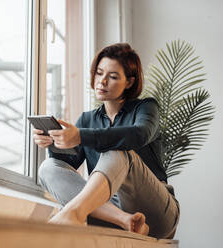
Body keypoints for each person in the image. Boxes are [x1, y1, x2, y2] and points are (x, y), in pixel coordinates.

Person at [32, 43, 180, 239]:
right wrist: (53, 141)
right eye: (99, 73)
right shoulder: (87, 119)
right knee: (48, 167)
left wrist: (80, 136)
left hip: (158, 212)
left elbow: (139, 134)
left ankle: (73, 213)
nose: (101, 81)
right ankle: (124, 220)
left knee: (117, 149)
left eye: (112, 77)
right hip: (111, 212)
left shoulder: (146, 108)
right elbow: (66, 166)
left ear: (129, 82)